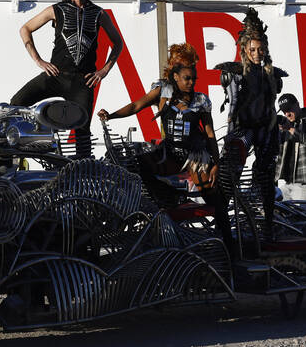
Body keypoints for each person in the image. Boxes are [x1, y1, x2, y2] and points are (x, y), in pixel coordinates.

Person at [97, 43, 230, 246]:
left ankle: (229, 246)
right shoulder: (162, 90)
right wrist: (111, 116)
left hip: (194, 156)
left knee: (214, 198)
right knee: (135, 164)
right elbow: (135, 105)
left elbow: (210, 134)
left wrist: (216, 164)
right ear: (175, 72)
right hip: (168, 153)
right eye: (185, 74)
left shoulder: (201, 100)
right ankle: (170, 197)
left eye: (192, 75)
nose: (191, 81)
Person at [11, 0, 123, 158]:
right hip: (56, 75)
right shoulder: (56, 10)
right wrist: (39, 61)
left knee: (82, 129)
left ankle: (83, 174)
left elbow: (118, 43)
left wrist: (104, 71)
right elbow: (25, 29)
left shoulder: (98, 13)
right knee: (17, 103)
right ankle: (14, 151)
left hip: (83, 81)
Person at [217, 8, 288, 244]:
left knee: (266, 178)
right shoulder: (235, 73)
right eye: (253, 50)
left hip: (264, 128)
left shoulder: (272, 74)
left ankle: (267, 226)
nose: (257, 53)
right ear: (245, 50)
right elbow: (233, 105)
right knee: (230, 176)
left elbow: (270, 103)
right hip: (243, 129)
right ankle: (223, 226)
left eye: (261, 49)